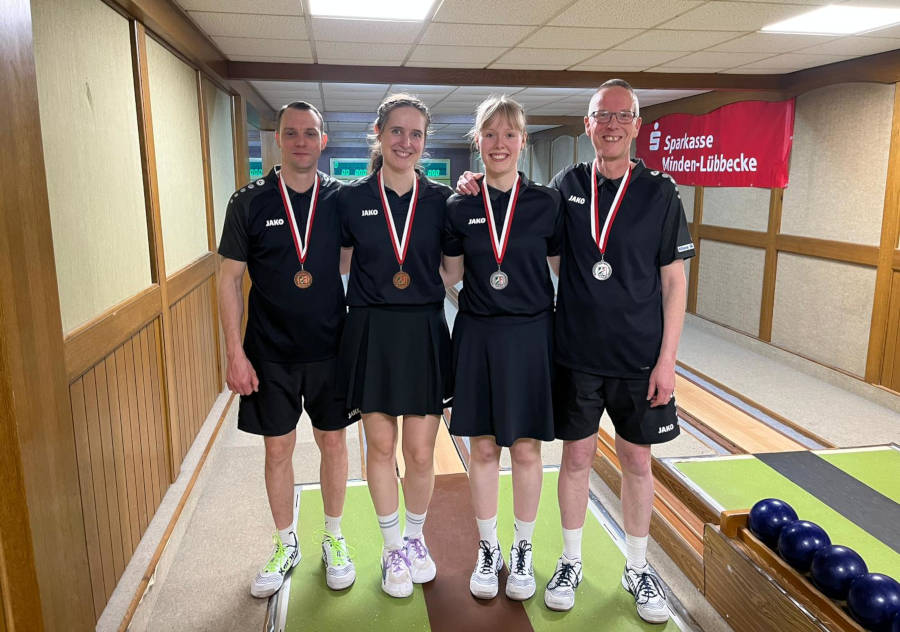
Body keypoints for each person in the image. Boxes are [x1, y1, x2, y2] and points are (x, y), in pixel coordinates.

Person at [457, 79, 694, 623]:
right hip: (575, 354)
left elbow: (674, 282)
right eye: (599, 116)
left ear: (636, 124)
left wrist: (668, 360)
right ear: (587, 125)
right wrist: (475, 183)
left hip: (641, 356)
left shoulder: (661, 191)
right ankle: (570, 561)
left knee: (636, 460)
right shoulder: (564, 187)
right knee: (577, 459)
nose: (610, 125)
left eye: (621, 116)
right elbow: (522, 216)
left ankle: (637, 568)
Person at [218, 101, 356, 598]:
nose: (301, 141)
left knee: (334, 444)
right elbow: (230, 280)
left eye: (311, 133)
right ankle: (284, 543)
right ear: (278, 138)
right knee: (277, 450)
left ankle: (334, 539)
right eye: (291, 132)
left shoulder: (340, 198)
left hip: (330, 349)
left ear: (324, 140)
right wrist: (235, 353)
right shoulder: (249, 201)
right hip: (268, 353)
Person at [336, 93, 455, 598]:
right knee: (381, 447)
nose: (406, 142)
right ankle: (390, 550)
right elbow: (340, 267)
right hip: (372, 331)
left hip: (425, 328)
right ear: (379, 135)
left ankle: (413, 539)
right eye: (397, 131)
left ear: (424, 143)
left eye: (416, 134)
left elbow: (453, 274)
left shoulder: (444, 200)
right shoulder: (348, 198)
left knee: (422, 452)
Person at [443, 96, 561, 602]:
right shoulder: (459, 204)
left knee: (529, 448)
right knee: (485, 447)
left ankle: (525, 549)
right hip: (479, 333)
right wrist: (476, 299)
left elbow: (561, 270)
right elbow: (451, 274)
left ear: (523, 142)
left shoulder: (545, 203)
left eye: (509, 135)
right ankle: (489, 551)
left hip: (532, 334)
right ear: (477, 141)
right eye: (489, 134)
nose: (499, 144)